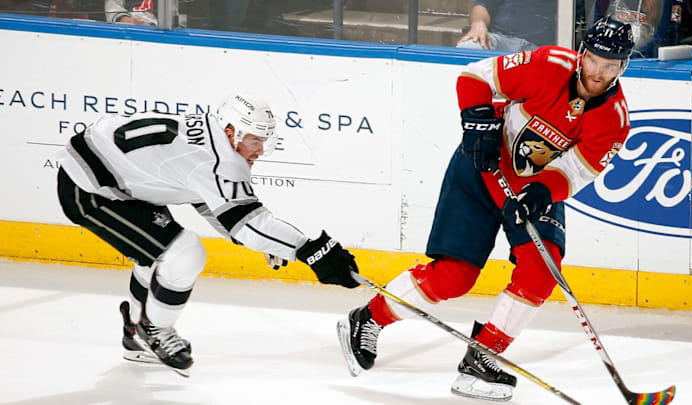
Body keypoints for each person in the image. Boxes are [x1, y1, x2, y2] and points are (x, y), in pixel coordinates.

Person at [338, 16, 634, 401]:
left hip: (532, 189)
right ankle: (367, 320)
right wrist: (477, 123)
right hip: (483, 168)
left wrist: (543, 191)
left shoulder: (615, 119)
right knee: (454, 277)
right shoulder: (548, 64)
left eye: (610, 66)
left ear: (623, 66)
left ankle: (482, 356)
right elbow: (475, 76)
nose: (598, 72)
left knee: (541, 273)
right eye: (594, 60)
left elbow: (579, 168)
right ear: (582, 53)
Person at [56, 94, 361, 376]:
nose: (259, 150)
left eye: (264, 141)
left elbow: (210, 201)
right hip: (90, 188)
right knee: (183, 252)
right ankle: (155, 331)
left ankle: (136, 335)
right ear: (231, 132)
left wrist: (265, 241)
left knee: (158, 255)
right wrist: (312, 251)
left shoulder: (210, 137)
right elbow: (250, 225)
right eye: (254, 140)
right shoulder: (220, 161)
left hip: (122, 177)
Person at [457, 0, 558, 51]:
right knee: (467, 47)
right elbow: (481, 6)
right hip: (502, 40)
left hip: (542, 50)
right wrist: (478, 23)